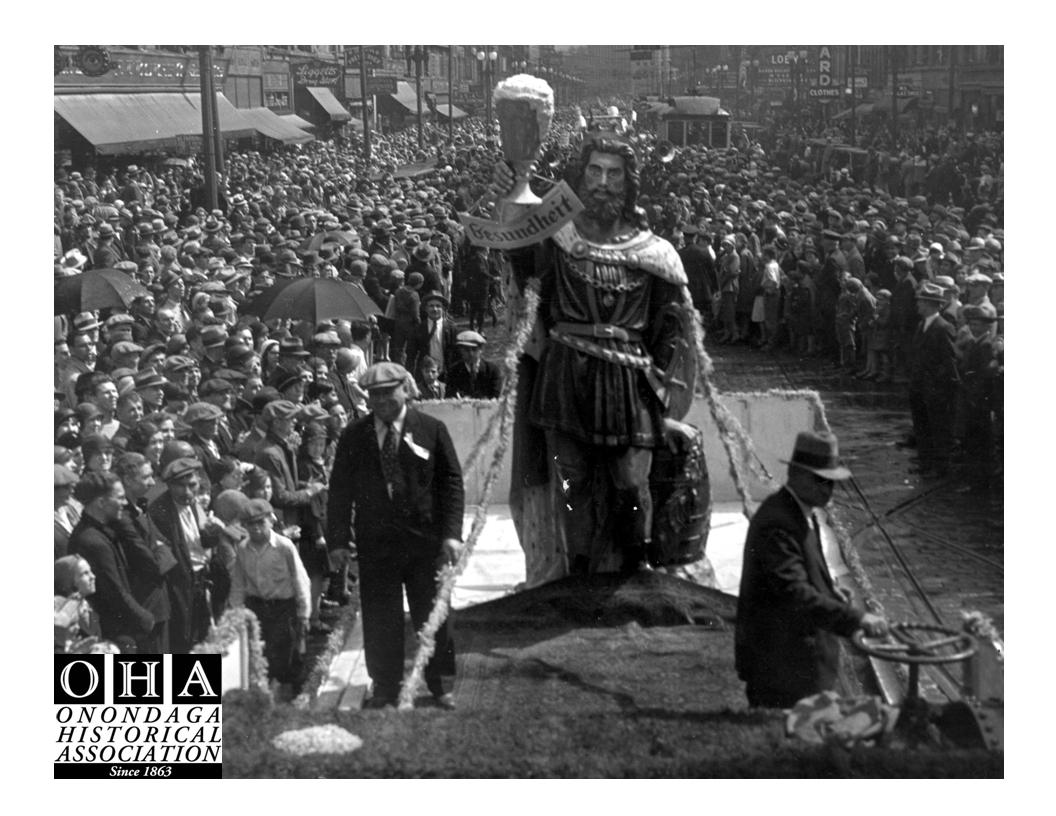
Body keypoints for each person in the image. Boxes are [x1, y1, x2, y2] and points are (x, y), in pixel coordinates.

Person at [498, 134, 698, 576]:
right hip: (567, 376)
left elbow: (671, 328)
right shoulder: (557, 238)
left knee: (631, 480)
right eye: (594, 171)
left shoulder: (654, 251)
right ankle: (580, 570)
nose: (602, 183)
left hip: (630, 382)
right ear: (580, 176)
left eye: (613, 174)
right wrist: (515, 190)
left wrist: (662, 391)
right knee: (572, 480)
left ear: (628, 183)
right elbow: (522, 266)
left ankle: (637, 566)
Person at [326, 362, 464, 709]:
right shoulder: (354, 435)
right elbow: (339, 490)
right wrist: (339, 540)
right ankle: (386, 685)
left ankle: (441, 683)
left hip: (425, 543)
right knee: (380, 617)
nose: (382, 400)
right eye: (375, 395)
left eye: (389, 392)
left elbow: (451, 483)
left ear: (406, 389)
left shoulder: (431, 429)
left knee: (433, 615)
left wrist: (451, 535)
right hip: (377, 545)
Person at [735, 431, 888, 708]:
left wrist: (830, 589)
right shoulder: (778, 524)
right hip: (783, 674)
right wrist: (858, 619)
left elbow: (802, 576)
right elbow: (793, 594)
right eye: (820, 480)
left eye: (832, 483)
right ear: (795, 473)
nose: (827, 489)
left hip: (799, 667)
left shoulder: (800, 512)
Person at [228, 498, 311, 695]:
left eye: (260, 523)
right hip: (257, 607)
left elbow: (300, 580)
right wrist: (236, 612)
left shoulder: (284, 546)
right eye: (250, 525)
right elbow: (239, 583)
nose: (256, 529)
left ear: (271, 521)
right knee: (262, 654)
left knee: (288, 653)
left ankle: (296, 695)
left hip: (283, 607)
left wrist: (304, 613)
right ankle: (270, 696)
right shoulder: (242, 549)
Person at [68, 472, 155, 651]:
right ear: (101, 502)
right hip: (112, 634)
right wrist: (146, 619)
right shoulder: (93, 541)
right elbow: (115, 591)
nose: (124, 503)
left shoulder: (98, 531)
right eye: (120, 498)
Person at [907, 282, 960, 478]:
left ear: (930, 304)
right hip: (920, 387)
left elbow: (948, 362)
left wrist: (940, 387)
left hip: (935, 389)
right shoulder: (922, 325)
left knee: (938, 427)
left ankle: (940, 467)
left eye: (921, 302)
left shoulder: (943, 327)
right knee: (922, 426)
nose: (918, 305)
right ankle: (926, 462)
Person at [443, 330, 503, 399]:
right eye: (466, 350)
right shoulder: (454, 371)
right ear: (461, 350)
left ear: (481, 350)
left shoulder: (492, 370)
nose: (471, 354)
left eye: (474, 349)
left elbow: (495, 396)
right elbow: (449, 396)